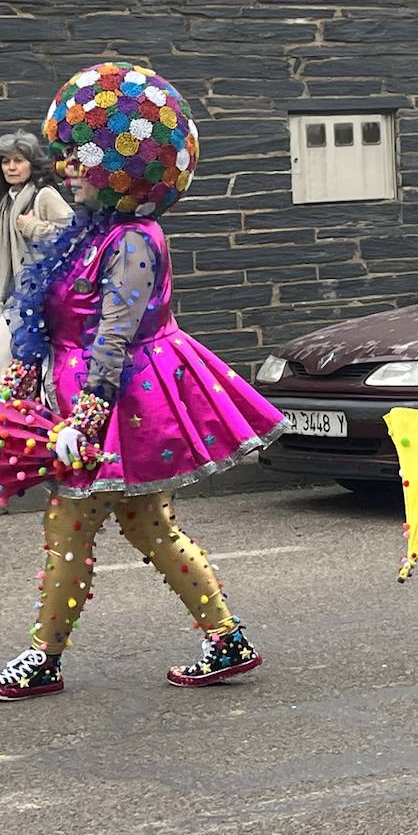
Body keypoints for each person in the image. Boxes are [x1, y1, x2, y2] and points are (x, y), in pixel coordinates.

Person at [0, 61, 288, 700]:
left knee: (69, 525)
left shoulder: (133, 239)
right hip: (80, 394)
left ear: (119, 170)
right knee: (148, 525)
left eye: (80, 158)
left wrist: (86, 419)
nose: (66, 167)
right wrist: (23, 384)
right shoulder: (85, 230)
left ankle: (44, 656)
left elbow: (114, 335)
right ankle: (226, 637)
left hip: (118, 401)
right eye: (66, 156)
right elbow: (41, 316)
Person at [0, 129, 73, 367]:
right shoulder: (8, 200)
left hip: (42, 299)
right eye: (5, 161)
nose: (11, 167)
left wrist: (33, 227)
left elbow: (73, 235)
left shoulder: (43, 196)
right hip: (13, 298)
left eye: (18, 161)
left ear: (32, 164)